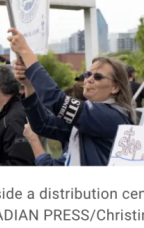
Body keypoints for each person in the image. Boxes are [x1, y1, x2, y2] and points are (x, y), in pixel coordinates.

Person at [10, 28, 135, 166]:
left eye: (98, 76)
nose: (89, 79)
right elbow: (43, 124)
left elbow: (58, 101)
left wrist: (26, 53)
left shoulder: (113, 116)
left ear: (115, 87)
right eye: (88, 74)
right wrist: (29, 86)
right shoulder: (90, 116)